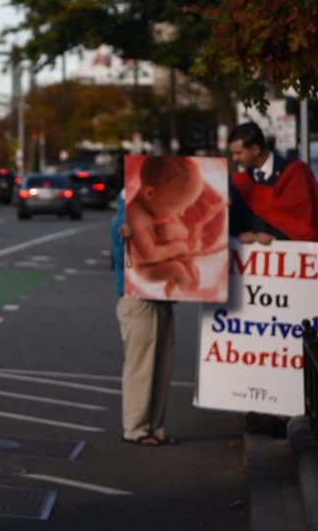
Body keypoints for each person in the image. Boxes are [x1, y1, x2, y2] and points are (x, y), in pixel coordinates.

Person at [113, 197, 176, 446]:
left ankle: (154, 427)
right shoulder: (127, 212)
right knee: (142, 365)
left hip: (160, 297)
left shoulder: (153, 212)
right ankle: (136, 428)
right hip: (138, 298)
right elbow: (121, 252)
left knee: (161, 364)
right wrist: (127, 236)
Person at [227, 122, 318, 244]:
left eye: (238, 153)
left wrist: (274, 238)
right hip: (251, 259)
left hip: (293, 257)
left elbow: (309, 225)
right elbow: (233, 224)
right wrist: (240, 235)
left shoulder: (296, 172)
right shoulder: (240, 183)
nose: (234, 159)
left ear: (255, 150)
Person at [126, 157, 204, 296]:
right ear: (150, 193)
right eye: (175, 206)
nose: (181, 213)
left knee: (190, 251)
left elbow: (185, 233)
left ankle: (191, 277)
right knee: (176, 269)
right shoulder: (134, 217)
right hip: (147, 269)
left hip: (169, 256)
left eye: (185, 207)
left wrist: (175, 233)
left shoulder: (162, 208)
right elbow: (148, 255)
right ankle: (186, 287)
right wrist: (177, 248)